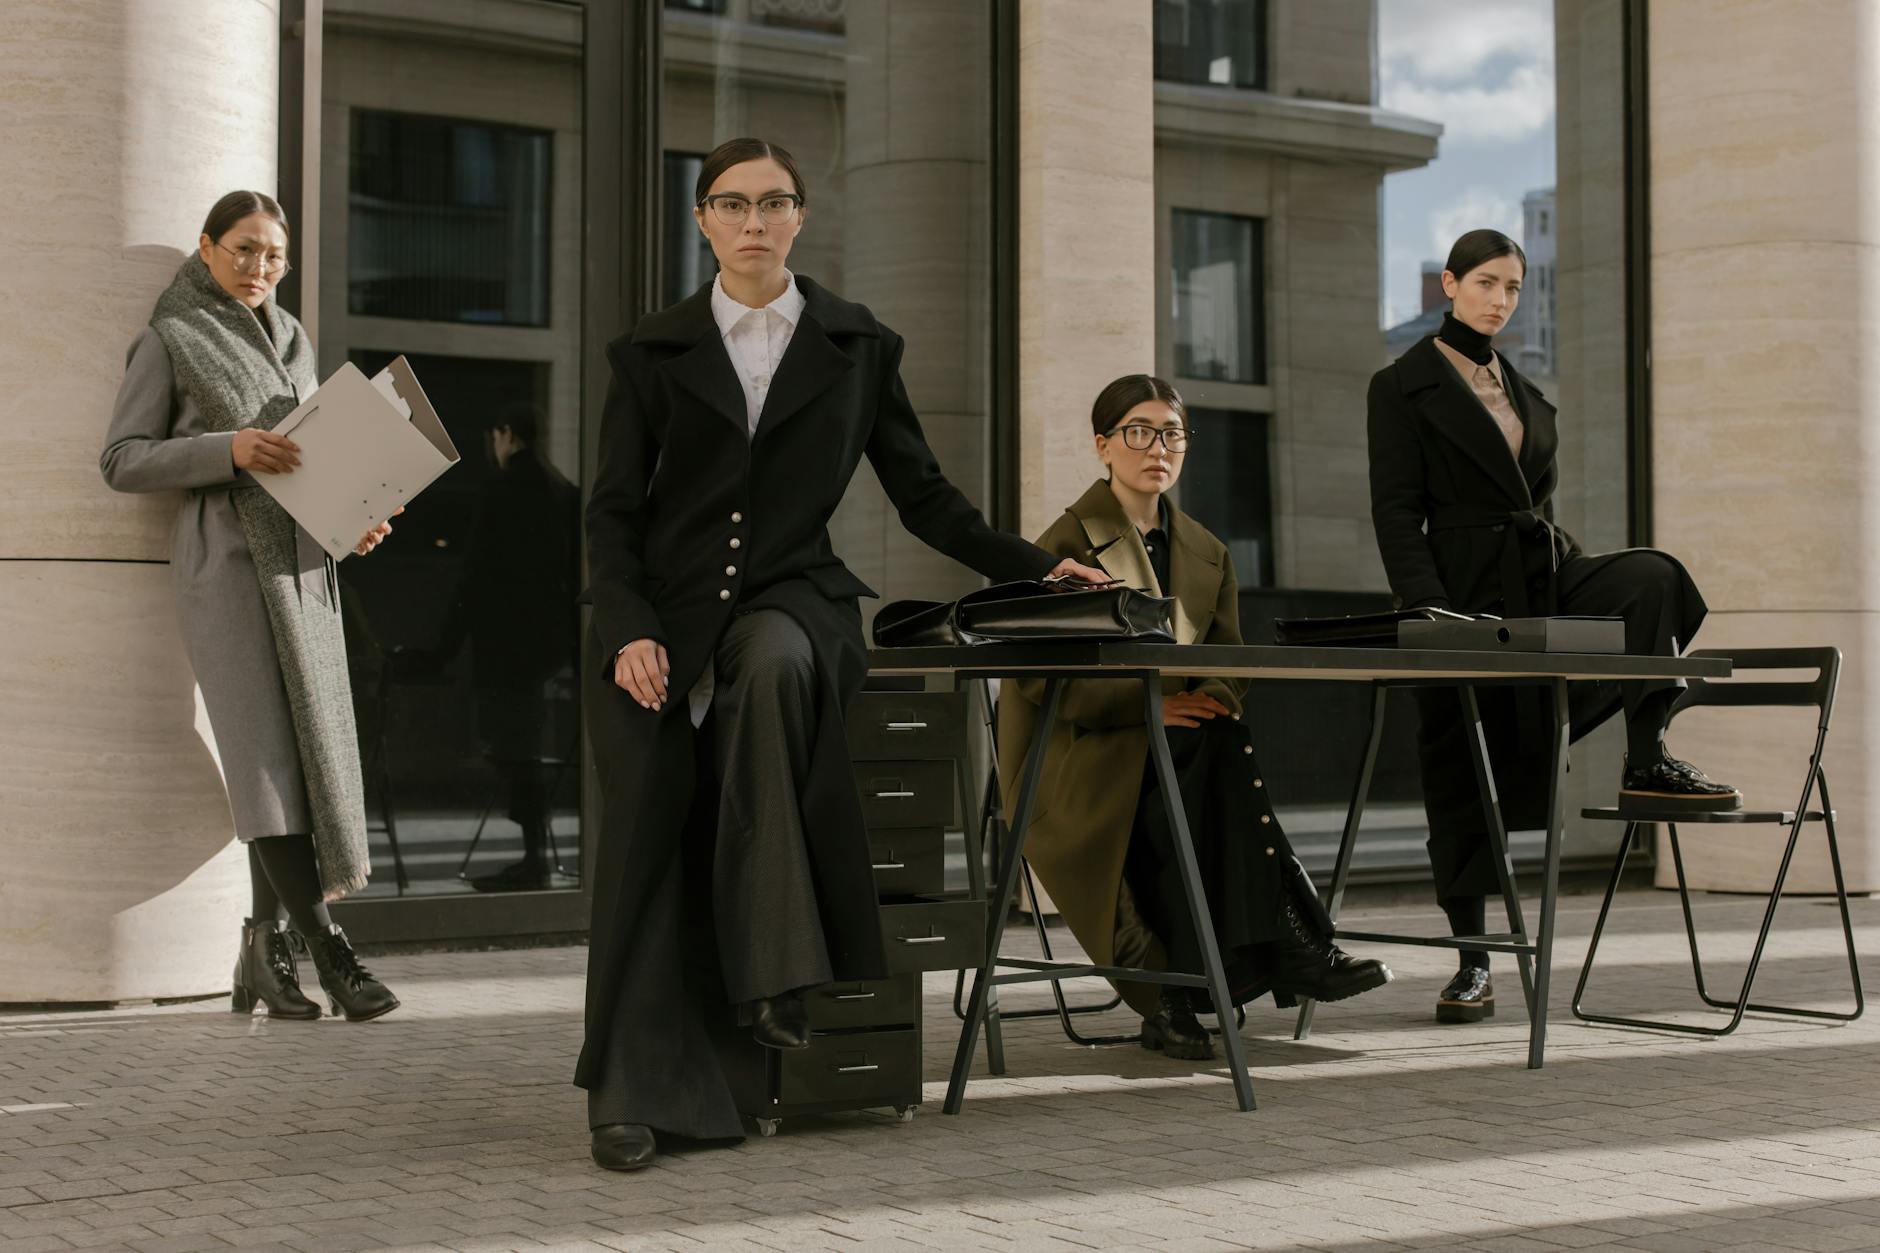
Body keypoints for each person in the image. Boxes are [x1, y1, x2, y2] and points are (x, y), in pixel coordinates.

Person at [579, 137, 1109, 1171]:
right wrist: (629, 627)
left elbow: (924, 497)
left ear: (800, 217)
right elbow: (609, 514)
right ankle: (633, 1093)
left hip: (790, 597)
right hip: (662, 615)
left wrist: (1036, 567)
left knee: (776, 669)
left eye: (772, 203)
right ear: (702, 221)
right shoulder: (647, 352)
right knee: (648, 826)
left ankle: (775, 974)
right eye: (730, 204)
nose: (752, 221)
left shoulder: (858, 344)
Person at [1366, 228, 1737, 1025]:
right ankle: (1473, 962)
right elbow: (1397, 512)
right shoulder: (1401, 386)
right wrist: (1428, 608)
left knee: (1653, 577)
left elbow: (1536, 505)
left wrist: (1564, 562)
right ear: (1450, 284)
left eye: (1513, 287)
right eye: (1487, 283)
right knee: (1465, 773)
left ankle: (1645, 758)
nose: (1501, 299)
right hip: (1460, 587)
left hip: (1539, 569)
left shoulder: (1524, 390)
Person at [999, 375, 1393, 1061]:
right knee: (1210, 753)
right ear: (1103, 444)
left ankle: (1185, 989)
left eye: (1172, 433)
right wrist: (1151, 705)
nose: (1158, 447)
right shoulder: (1065, 540)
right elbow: (1039, 673)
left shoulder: (1208, 549)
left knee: (1213, 739)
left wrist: (1199, 699)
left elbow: (1229, 658)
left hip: (1182, 752)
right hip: (1079, 758)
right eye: (1139, 432)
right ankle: (1296, 941)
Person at [100, 190, 401, 1024]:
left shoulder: (296, 339)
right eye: (242, 250)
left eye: (273, 255)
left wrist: (355, 519)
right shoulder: (170, 336)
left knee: (300, 761)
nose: (258, 268)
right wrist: (225, 449)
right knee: (265, 764)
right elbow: (122, 460)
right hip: (227, 569)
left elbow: (312, 460)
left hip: (303, 569)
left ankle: (259, 957)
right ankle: (332, 952)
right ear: (204, 248)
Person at [436, 403, 580, 892]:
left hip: (505, 647)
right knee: (526, 751)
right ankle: (533, 856)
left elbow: (474, 578)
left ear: (506, 434)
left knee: (512, 751)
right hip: (551, 647)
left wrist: (442, 649)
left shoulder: (502, 490)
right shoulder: (561, 491)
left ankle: (532, 860)